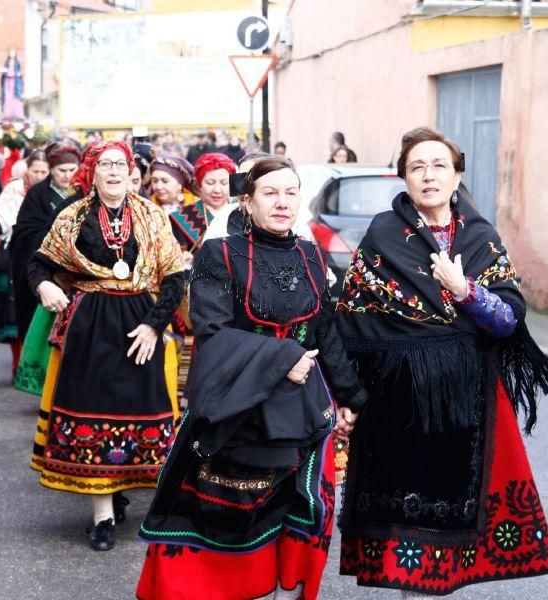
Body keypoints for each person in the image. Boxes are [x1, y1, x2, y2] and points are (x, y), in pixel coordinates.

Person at [336, 127, 548, 596]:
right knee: (407, 535)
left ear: (457, 174)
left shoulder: (480, 236)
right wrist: (349, 397)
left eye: (439, 165)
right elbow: (352, 319)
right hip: (395, 405)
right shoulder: (383, 234)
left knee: (458, 523)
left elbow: (507, 322)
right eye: (417, 167)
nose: (428, 176)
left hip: (468, 401)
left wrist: (464, 291)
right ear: (403, 178)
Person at [137, 157, 367, 599]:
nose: (282, 202)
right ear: (247, 200)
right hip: (240, 405)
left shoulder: (310, 254)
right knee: (230, 518)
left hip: (301, 405)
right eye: (270, 193)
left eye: (291, 192)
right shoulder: (219, 253)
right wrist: (283, 357)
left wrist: (350, 395)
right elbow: (212, 330)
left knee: (301, 509)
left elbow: (325, 329)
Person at [28, 141, 187, 551]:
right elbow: (39, 262)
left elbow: (174, 277)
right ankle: (101, 516)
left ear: (132, 171)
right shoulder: (73, 215)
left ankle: (122, 491)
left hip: (140, 325)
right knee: (95, 414)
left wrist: (154, 327)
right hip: (90, 327)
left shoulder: (151, 215)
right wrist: (45, 284)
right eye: (105, 165)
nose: (114, 171)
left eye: (121, 164)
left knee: (140, 411)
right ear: (91, 172)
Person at [9, 143, 83, 395]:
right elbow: (24, 232)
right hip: (44, 270)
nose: (66, 175)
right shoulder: (38, 195)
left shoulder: (85, 193)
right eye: (61, 169)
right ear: (51, 169)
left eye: (72, 168)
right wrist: (52, 239)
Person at [167, 152, 237, 408]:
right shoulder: (180, 218)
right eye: (210, 182)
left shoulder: (241, 215)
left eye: (224, 182)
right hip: (192, 301)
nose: (218, 189)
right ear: (199, 183)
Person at [0, 159, 30, 374]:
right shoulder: (11, 192)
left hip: (35, 255)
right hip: (12, 254)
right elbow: (1, 224)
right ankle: (17, 364)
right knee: (13, 315)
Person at [0, 46, 24, 120]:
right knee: (7, 97)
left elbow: (19, 72)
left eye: (13, 53)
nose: (12, 54)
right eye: (10, 53)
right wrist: (3, 72)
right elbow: (5, 71)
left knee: (16, 98)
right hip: (7, 82)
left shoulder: (17, 62)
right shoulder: (7, 62)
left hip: (15, 82)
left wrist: (18, 75)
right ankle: (7, 115)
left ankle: (17, 115)